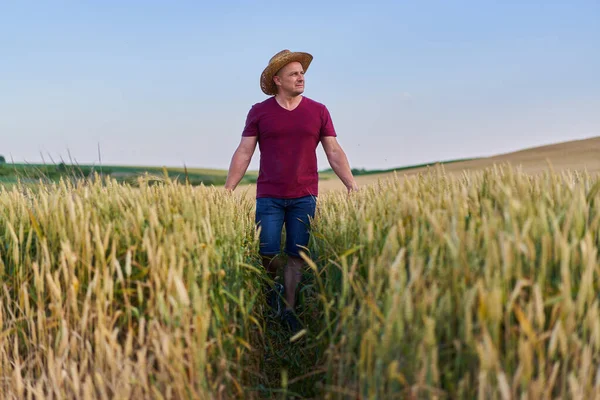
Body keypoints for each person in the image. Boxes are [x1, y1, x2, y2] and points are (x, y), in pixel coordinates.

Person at [224, 49, 358, 334]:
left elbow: (333, 150)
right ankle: (273, 293)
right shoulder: (259, 112)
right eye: (294, 74)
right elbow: (244, 151)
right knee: (268, 251)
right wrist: (228, 189)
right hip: (269, 196)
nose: (301, 78)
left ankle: (288, 307)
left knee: (297, 253)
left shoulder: (318, 110)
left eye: (302, 73)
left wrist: (351, 184)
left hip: (305, 195)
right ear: (278, 80)